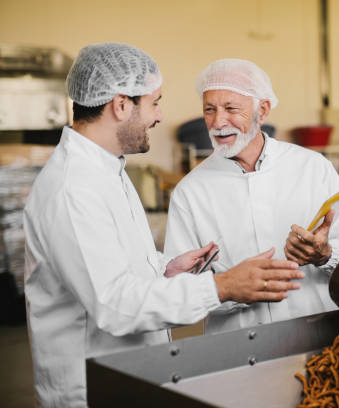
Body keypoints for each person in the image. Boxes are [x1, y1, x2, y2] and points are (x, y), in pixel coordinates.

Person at [23, 44, 303, 407]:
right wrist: (222, 286)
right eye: (154, 102)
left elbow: (111, 264)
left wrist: (164, 269)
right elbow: (115, 305)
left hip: (125, 376)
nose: (158, 116)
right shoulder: (72, 189)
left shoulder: (107, 172)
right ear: (121, 105)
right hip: (89, 391)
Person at [164, 58, 339, 335]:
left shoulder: (311, 167)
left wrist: (325, 254)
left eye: (231, 108)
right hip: (237, 345)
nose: (218, 122)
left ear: (264, 109)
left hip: (320, 334)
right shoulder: (190, 192)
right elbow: (179, 289)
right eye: (209, 110)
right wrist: (229, 289)